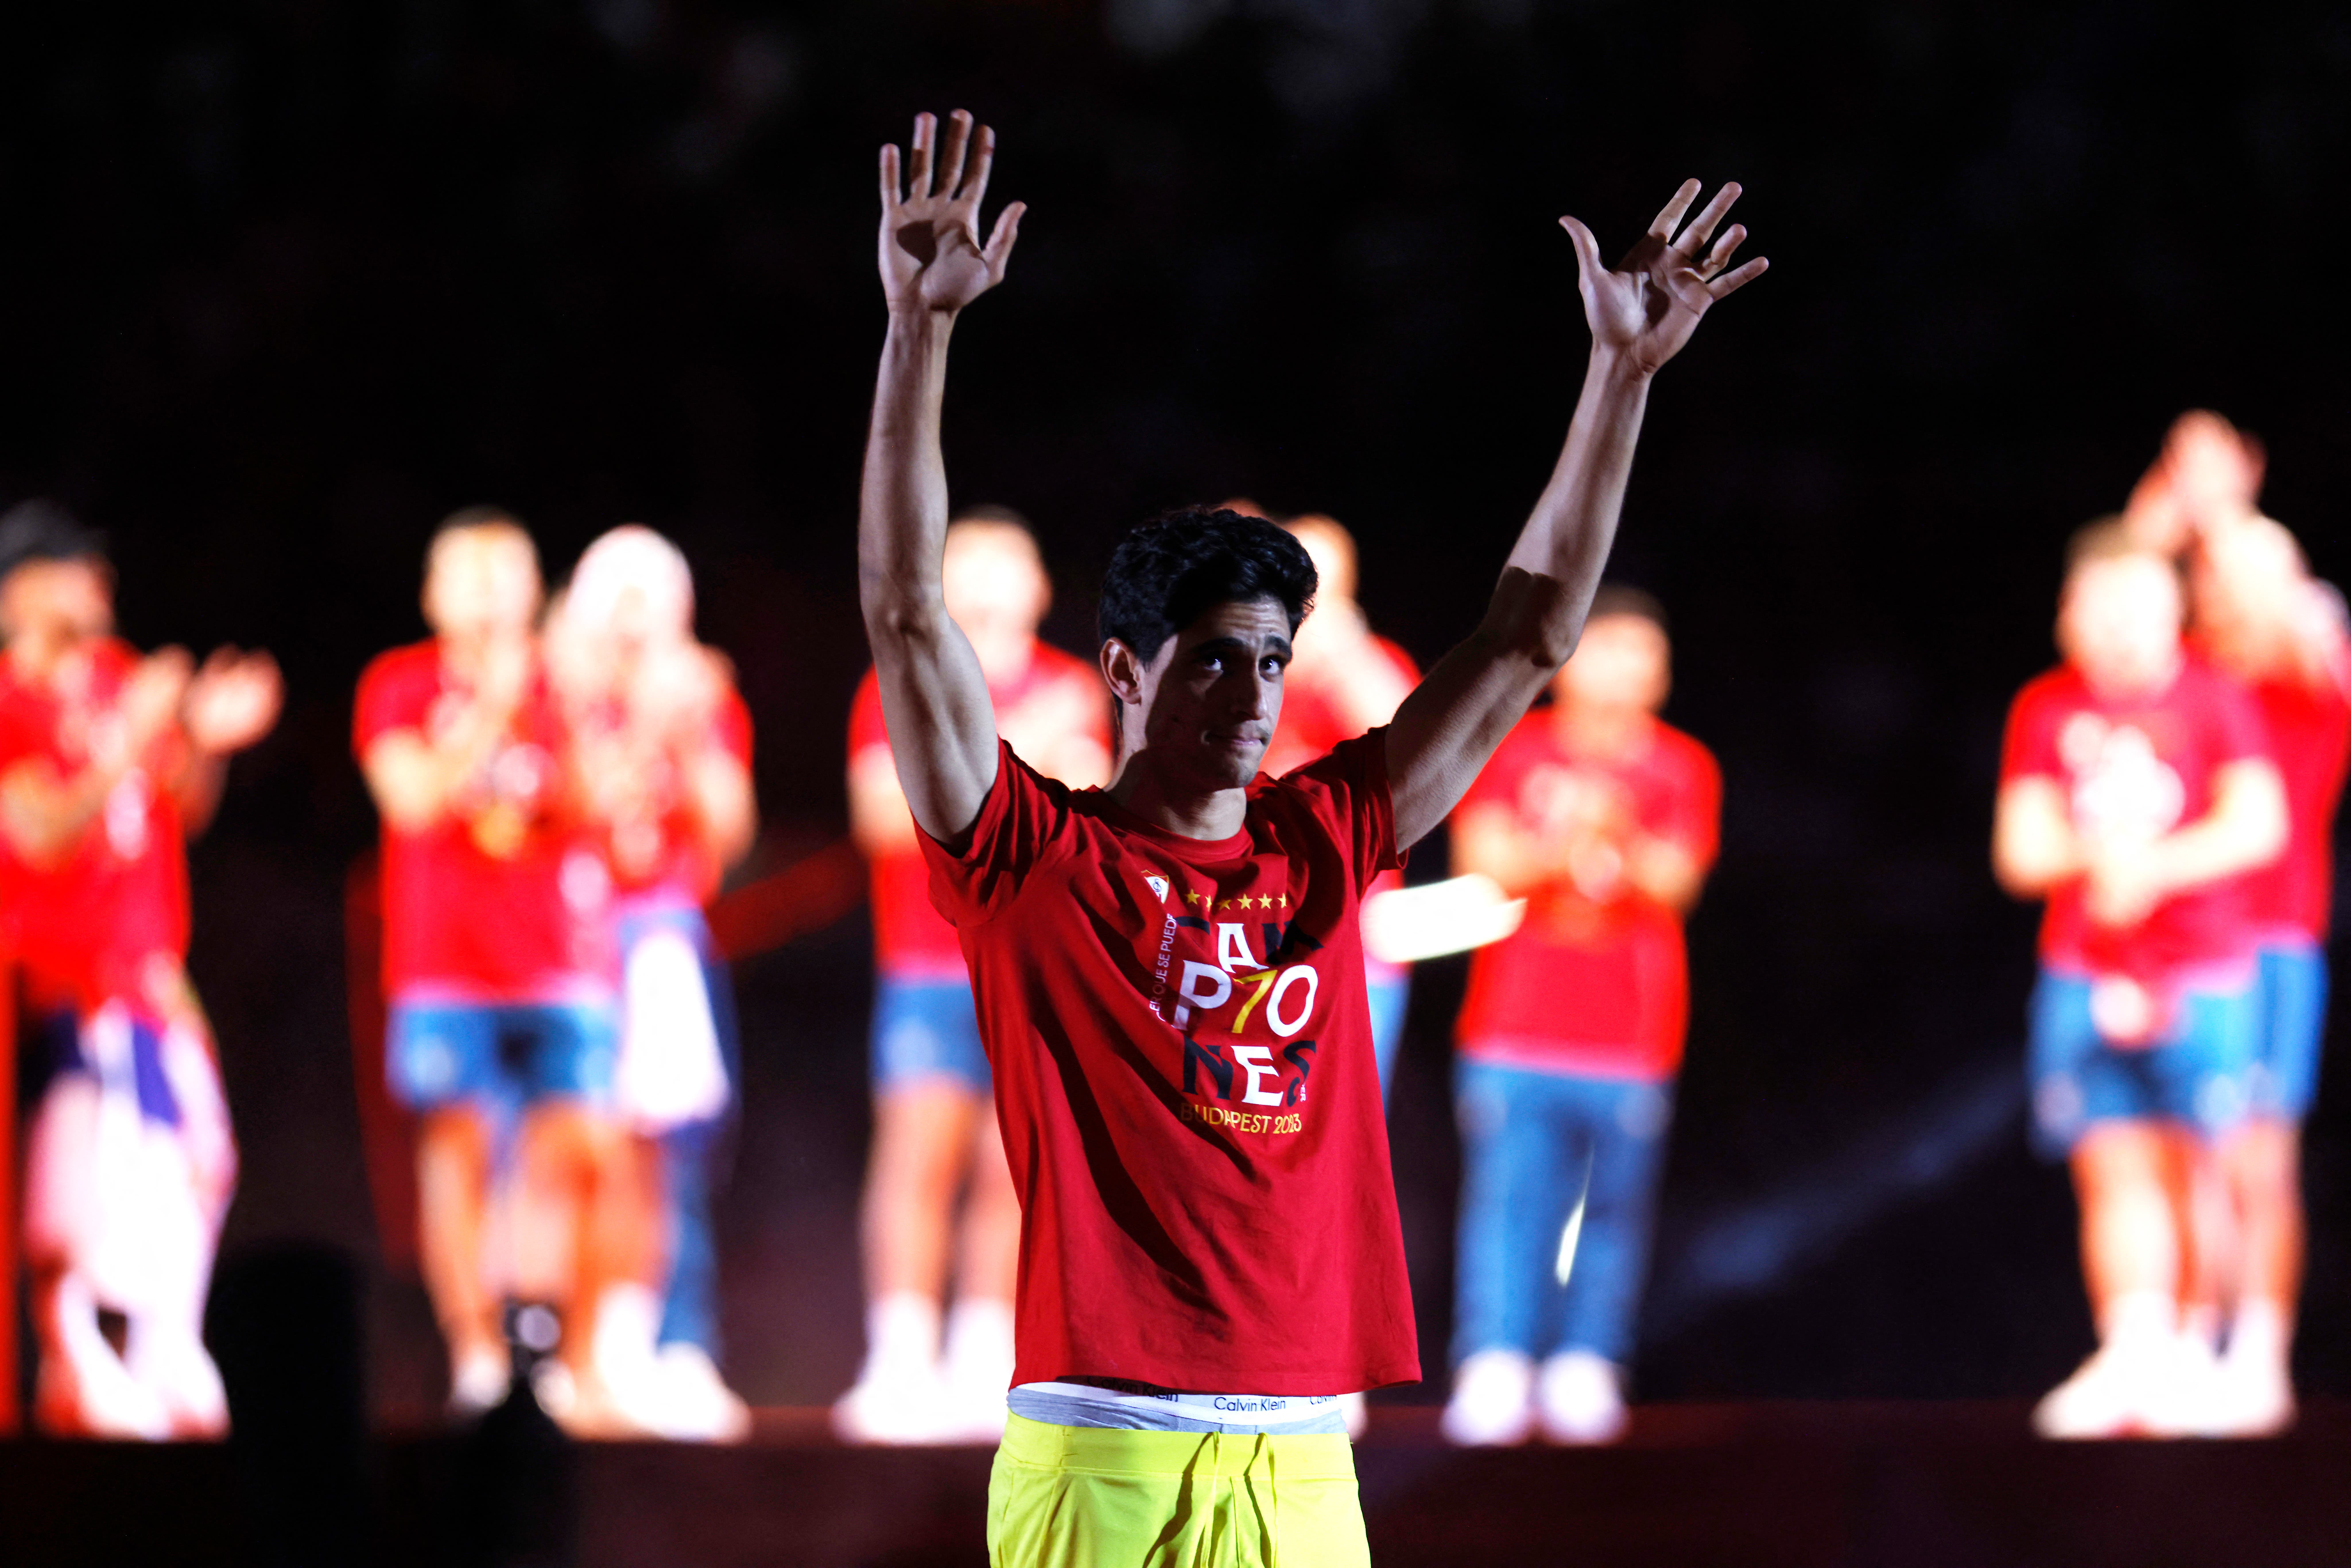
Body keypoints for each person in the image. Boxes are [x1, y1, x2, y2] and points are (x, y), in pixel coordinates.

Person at [857, 108, 1761, 1562]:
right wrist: (919, 331)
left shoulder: (1326, 835)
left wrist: (1620, 377)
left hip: (1299, 1464)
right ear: (1125, 671)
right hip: (1099, 1448)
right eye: (1215, 659)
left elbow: (1528, 638)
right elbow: (908, 614)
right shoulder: (1029, 854)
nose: (1252, 697)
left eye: (1273, 662)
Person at [1993, 520, 2287, 1439]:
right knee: (2110, 1162)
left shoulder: (2216, 696)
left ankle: (2197, 1350)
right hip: (2086, 970)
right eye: (2102, 608)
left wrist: (2154, 867)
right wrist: (2099, 858)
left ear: (2172, 615)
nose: (2120, 629)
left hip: (2201, 969)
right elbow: (2021, 847)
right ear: (2068, 616)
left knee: (2203, 1164)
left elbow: (2258, 823)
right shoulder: (2047, 707)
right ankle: (2133, 1344)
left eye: (2139, 608)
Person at [0, 499, 280, 1437]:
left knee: (195, 1151)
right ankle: (72, 1349)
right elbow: (36, 830)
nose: (98, 585)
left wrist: (204, 740)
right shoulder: (12, 700)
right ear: (22, 591)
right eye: (74, 569)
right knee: (82, 1158)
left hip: (150, 963)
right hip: (62, 969)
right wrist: (126, 740)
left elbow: (178, 803)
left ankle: (167, 1344)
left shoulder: (116, 676)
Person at [837, 508, 1111, 1444]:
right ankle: (898, 1355)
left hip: (1035, 967)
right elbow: (883, 816)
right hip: (928, 962)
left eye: (1007, 570)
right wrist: (1016, 745)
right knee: (917, 1156)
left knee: (1014, 1168)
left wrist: (985, 769)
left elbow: (1082, 822)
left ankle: (984, 1355)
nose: (991, 591)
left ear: (1038, 589)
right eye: (971, 570)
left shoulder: (1075, 688)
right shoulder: (900, 682)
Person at [354, 509, 628, 1428]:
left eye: (502, 573)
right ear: (432, 595)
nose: (484, 593)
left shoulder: (562, 682)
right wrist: (490, 708)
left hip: (558, 965)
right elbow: (414, 799)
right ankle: (476, 1355)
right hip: (446, 968)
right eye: (464, 575)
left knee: (577, 1156)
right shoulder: (399, 685)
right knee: (457, 1156)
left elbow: (595, 807)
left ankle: (554, 1352)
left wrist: (579, 711)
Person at [1440, 586, 1718, 1447]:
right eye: (1611, 651)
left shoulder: (1680, 768)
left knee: (1611, 1213)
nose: (1627, 672)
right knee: (1507, 1203)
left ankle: (1588, 1360)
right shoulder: (1516, 750)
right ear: (1567, 661)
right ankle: (1494, 1358)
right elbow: (1484, 861)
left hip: (1630, 1037)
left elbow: (1677, 881)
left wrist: (1618, 830)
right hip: (1514, 1027)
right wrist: (1565, 839)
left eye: (1645, 657)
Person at [2130, 413, 2349, 1435]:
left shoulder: (2311, 666)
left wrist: (2218, 513)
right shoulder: (2186, 676)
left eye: (2235, 578)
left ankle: (2260, 1356)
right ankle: (2188, 1342)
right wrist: (2160, 528)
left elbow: (2285, 605)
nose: (2218, 591)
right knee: (2183, 1155)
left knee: (2259, 1157)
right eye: (2207, 581)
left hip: (2269, 943)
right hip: (2181, 944)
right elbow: (2122, 601)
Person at [547, 524, 759, 1441]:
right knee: (571, 1149)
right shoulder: (557, 699)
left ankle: (668, 1345)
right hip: (569, 942)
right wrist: (635, 717)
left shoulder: (702, 698)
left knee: (668, 1153)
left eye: (653, 604)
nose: (636, 626)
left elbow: (728, 828)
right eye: (619, 604)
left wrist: (690, 728)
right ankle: (565, 1352)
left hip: (663, 939)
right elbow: (573, 808)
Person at [1258, 513, 1421, 1095]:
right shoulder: (1242, 668)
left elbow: (1409, 747)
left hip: (1351, 943)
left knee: (1342, 1115)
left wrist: (1344, 649)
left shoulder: (1368, 666)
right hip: (1242, 936)